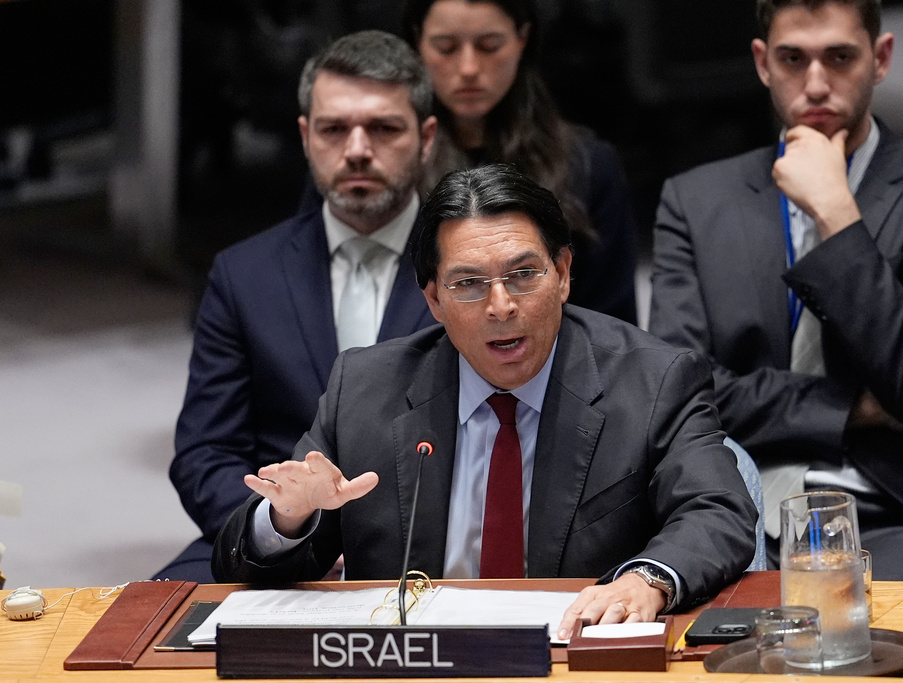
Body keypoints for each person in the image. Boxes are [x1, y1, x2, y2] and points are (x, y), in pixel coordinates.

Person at [213, 164, 758, 636]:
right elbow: (243, 570)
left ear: (563, 273)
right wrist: (288, 517)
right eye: (468, 283)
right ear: (432, 299)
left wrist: (648, 579)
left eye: (523, 274)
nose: (501, 306)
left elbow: (718, 509)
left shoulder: (654, 379)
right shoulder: (366, 387)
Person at [649, 0, 903, 582]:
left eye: (839, 57)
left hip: (898, 511)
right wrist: (859, 410)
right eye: (794, 58)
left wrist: (836, 213)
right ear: (764, 64)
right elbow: (681, 396)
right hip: (733, 503)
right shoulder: (696, 201)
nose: (816, 84)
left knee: (849, 633)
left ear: (881, 58)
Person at [158, 31, 439, 583]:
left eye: (383, 128)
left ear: (426, 138)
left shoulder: (471, 271)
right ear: (307, 137)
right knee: (143, 634)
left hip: (432, 547)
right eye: (335, 129)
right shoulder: (244, 274)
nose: (357, 149)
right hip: (270, 538)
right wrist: (278, 528)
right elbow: (206, 452)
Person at [399, 0, 639, 324]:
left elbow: (613, 329)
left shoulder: (588, 164)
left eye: (489, 46)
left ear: (522, 38)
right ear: (417, 42)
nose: (468, 67)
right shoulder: (394, 160)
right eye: (446, 48)